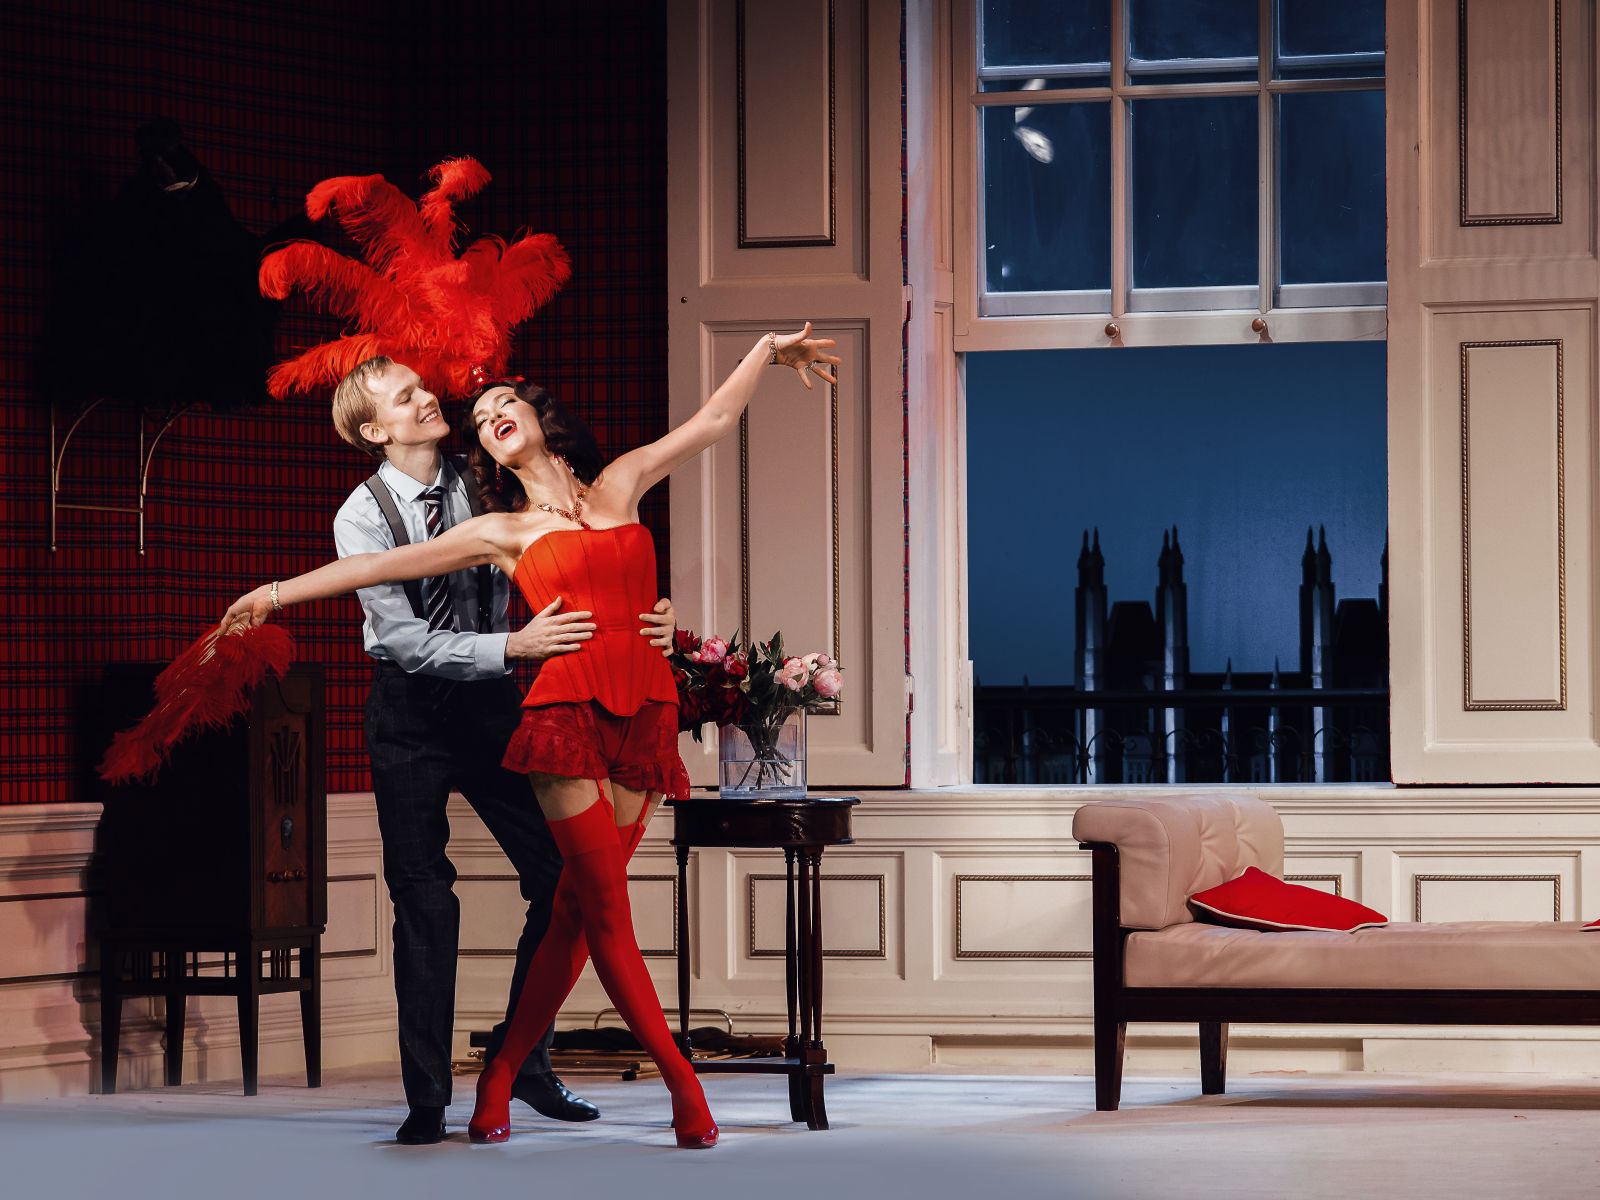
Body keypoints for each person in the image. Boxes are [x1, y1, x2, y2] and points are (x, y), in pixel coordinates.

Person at [222, 324, 841, 1149]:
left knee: (571, 902)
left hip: (626, 711)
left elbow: (712, 424)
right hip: (496, 711)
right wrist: (272, 593)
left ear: (540, 414)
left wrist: (764, 349)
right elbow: (373, 578)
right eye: (475, 417)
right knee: (534, 905)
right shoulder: (481, 524)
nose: (474, 413)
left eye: (501, 404)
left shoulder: (605, 481)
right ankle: (664, 1087)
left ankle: (509, 1072)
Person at [325, 354, 679, 1145]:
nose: (429, 398)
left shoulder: (488, 475)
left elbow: (589, 539)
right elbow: (402, 639)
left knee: (561, 878)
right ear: (375, 431)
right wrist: (512, 646)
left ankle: (526, 1067)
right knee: (423, 897)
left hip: (493, 705)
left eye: (422, 386)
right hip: (408, 711)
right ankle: (426, 1098)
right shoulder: (360, 516)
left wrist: (650, 612)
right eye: (406, 396)